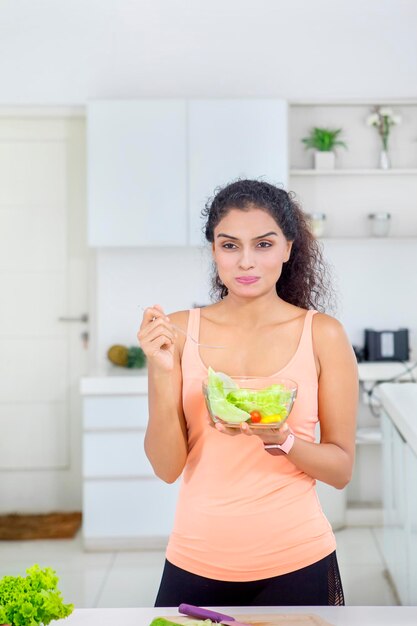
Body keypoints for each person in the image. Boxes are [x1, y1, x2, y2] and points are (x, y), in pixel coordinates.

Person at [137, 179, 358, 607]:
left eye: (263, 244)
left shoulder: (323, 335)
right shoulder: (181, 333)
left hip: (298, 559)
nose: (246, 262)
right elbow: (167, 468)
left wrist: (285, 440)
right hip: (194, 557)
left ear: (288, 249)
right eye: (230, 245)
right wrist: (163, 372)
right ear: (214, 250)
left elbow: (341, 469)